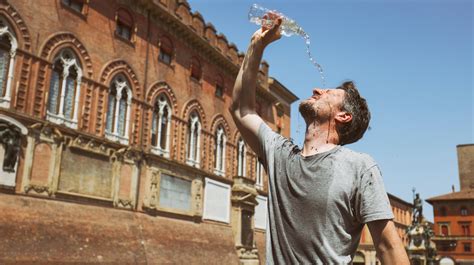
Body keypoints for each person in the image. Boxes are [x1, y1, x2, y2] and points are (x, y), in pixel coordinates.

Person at [230, 14, 409, 264]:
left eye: (328, 93)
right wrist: (256, 45)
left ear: (344, 115)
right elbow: (241, 109)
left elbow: (388, 247)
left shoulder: (359, 167)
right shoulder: (279, 154)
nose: (316, 89)